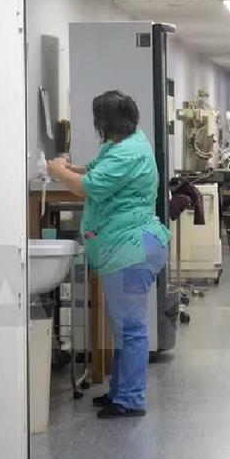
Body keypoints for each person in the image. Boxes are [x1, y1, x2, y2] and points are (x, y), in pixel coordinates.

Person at [47, 90, 171, 418]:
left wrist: (58, 171)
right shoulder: (125, 142)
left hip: (132, 250)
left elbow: (89, 186)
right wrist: (70, 166)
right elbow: (95, 168)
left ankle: (130, 400)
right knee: (124, 326)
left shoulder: (127, 152)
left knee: (130, 328)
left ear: (105, 121)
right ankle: (120, 391)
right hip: (130, 247)